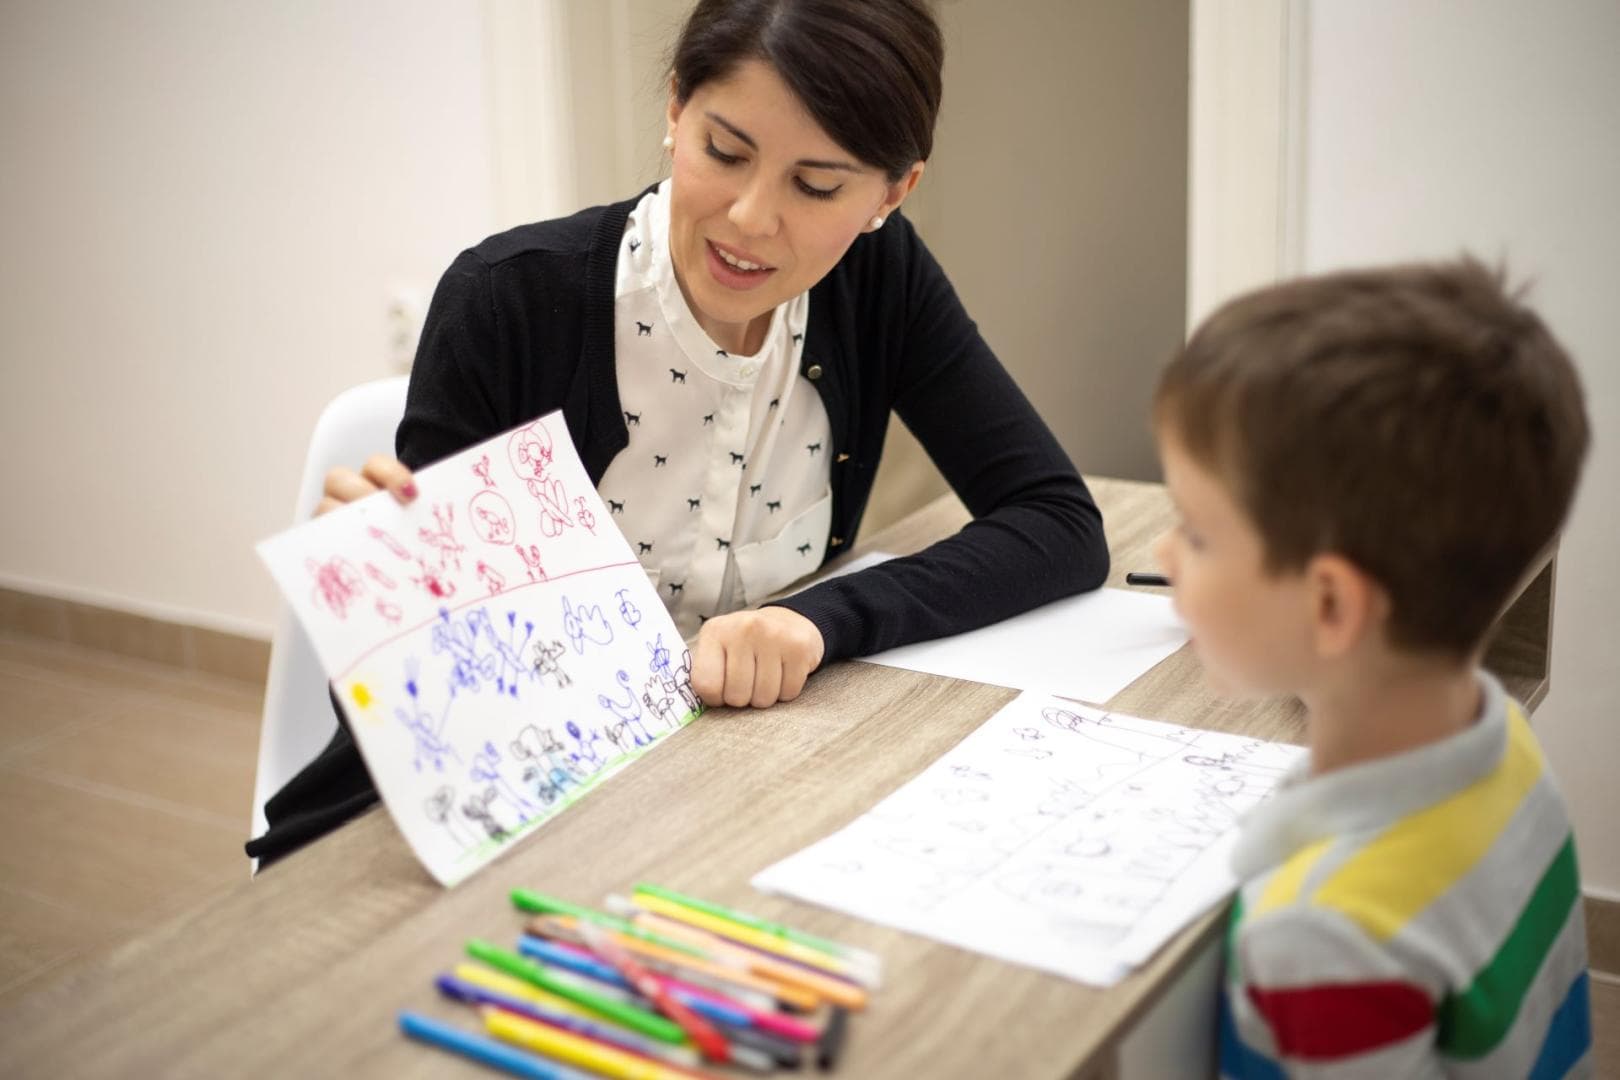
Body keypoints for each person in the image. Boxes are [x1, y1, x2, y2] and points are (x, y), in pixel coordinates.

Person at [247, 0, 1108, 865]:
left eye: (816, 185)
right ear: (674, 111)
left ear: (893, 192)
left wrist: (817, 621)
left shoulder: (879, 281)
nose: (748, 218)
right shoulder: (507, 301)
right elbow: (446, 706)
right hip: (489, 822)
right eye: (723, 153)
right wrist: (393, 584)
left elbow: (1057, 522)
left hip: (729, 790)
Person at [1151, 259, 1592, 1076]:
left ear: (1330, 607)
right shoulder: (1507, 745)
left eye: (1197, 534)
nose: (1162, 552)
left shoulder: (1323, 938)